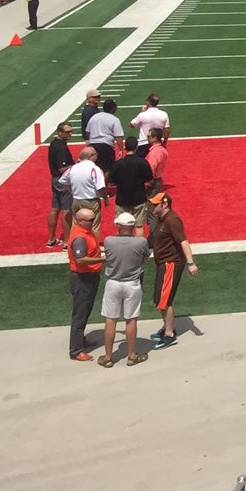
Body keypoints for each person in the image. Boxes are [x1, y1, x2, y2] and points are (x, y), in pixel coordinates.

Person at [98, 211, 150, 367]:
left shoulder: (108, 241)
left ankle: (108, 357)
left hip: (113, 283)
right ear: (133, 226)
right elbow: (145, 259)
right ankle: (132, 356)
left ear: (119, 226)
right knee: (131, 319)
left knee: (110, 320)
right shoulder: (141, 242)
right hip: (132, 284)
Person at [146, 190, 197, 349]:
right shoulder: (162, 219)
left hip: (171, 264)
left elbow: (183, 241)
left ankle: (169, 333)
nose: (152, 206)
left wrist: (191, 263)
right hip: (163, 263)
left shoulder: (173, 220)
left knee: (164, 299)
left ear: (165, 204)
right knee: (162, 298)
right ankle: (166, 327)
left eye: (156, 203)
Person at [65, 207, 103, 362]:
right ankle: (76, 350)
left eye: (93, 219)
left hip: (89, 276)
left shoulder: (85, 232)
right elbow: (80, 259)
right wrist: (103, 259)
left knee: (85, 310)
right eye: (90, 220)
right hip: (82, 278)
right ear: (79, 220)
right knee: (80, 314)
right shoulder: (80, 238)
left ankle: (80, 340)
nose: (93, 222)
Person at [107, 149, 154, 230]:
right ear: (136, 148)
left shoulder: (117, 164)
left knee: (121, 224)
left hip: (122, 198)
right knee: (138, 226)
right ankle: (139, 243)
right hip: (139, 198)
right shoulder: (143, 162)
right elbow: (150, 180)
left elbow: (111, 183)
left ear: (125, 148)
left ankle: (121, 242)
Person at [65, 146, 106, 232]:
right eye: (96, 155)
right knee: (93, 225)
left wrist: (72, 191)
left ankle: (74, 242)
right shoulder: (94, 169)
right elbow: (100, 187)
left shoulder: (73, 168)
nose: (97, 157)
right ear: (91, 156)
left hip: (76, 200)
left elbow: (63, 181)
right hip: (91, 201)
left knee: (76, 224)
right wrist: (105, 198)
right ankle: (91, 244)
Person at [47, 121, 75, 248]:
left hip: (54, 179)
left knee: (55, 208)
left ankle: (51, 238)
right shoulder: (61, 147)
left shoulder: (53, 144)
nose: (70, 134)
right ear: (60, 132)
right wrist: (76, 165)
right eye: (67, 131)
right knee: (66, 209)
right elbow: (62, 168)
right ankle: (67, 240)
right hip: (62, 180)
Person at [85, 98, 119, 175]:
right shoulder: (114, 119)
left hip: (93, 145)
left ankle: (96, 184)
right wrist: (120, 149)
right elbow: (118, 136)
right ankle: (103, 185)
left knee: (95, 167)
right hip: (106, 145)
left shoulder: (95, 117)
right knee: (107, 168)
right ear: (113, 109)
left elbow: (87, 132)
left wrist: (89, 143)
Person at [129, 93, 169, 159]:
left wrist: (142, 112)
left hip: (144, 144)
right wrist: (165, 142)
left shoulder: (143, 115)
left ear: (148, 102)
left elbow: (131, 125)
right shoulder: (164, 114)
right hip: (157, 144)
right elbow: (167, 130)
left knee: (140, 165)